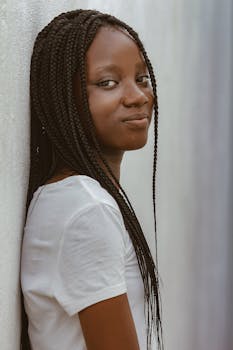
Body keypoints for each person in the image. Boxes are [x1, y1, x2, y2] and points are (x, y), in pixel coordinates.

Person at [20, 9, 163, 350]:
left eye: (142, 77)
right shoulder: (86, 210)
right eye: (107, 83)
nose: (138, 96)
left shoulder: (80, 199)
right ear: (63, 98)